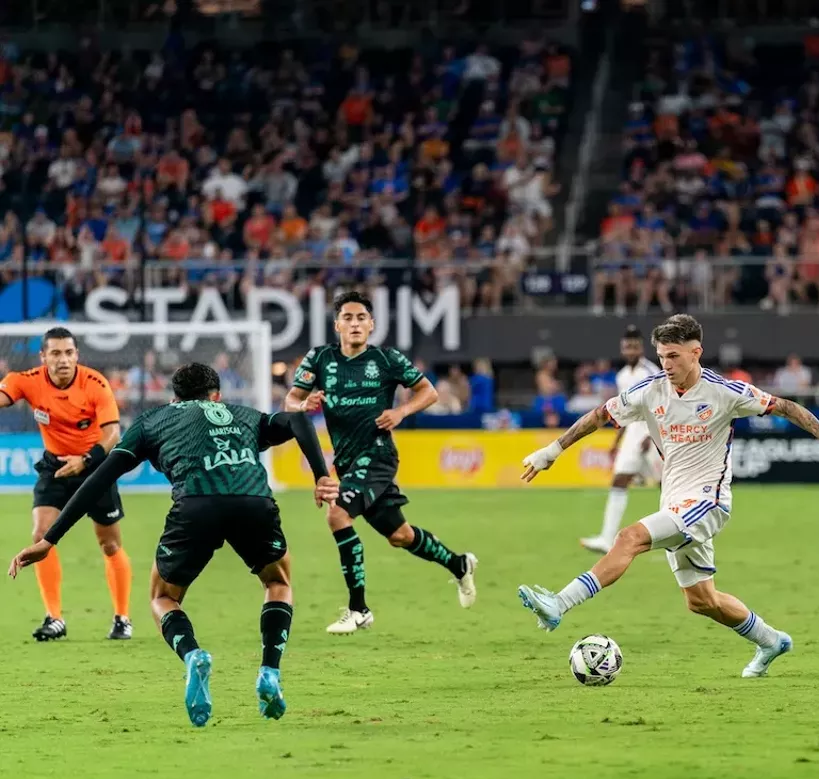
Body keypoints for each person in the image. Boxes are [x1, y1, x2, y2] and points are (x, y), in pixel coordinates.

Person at [518, 315, 819, 677]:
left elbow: (786, 407)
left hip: (708, 502)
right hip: (673, 502)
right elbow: (599, 416)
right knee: (702, 601)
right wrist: (551, 451)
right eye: (662, 356)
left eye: (674, 356)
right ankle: (771, 641)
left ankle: (559, 603)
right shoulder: (650, 391)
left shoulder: (725, 392)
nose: (666, 365)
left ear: (696, 352)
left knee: (630, 537)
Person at [8, 363, 338, 727]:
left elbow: (99, 478)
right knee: (278, 583)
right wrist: (322, 475)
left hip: (195, 507)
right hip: (253, 501)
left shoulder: (154, 420)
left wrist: (50, 539)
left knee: (162, 597)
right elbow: (298, 421)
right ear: (217, 396)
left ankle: (193, 654)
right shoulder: (243, 414)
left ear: (174, 397)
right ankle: (270, 672)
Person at [286, 291, 478, 635]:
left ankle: (358, 609)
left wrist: (401, 411)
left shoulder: (386, 359)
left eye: (361, 318)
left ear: (372, 325)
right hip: (347, 462)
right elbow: (291, 401)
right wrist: (306, 404)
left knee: (337, 514)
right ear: (337, 325)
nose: (355, 324)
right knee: (400, 536)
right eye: (348, 318)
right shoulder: (320, 359)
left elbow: (429, 392)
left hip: (377, 455)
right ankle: (458, 563)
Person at [0, 327, 134, 641]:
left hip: (95, 467)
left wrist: (85, 460)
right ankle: (54, 618)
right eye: (56, 353)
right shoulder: (28, 380)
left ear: (77, 355)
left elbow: (113, 435)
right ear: (43, 356)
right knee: (40, 535)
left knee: (110, 544)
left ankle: (122, 617)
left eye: (69, 353)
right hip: (55, 466)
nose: (64, 360)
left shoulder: (95, 383)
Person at [580, 326, 661, 553]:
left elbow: (660, 405)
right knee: (619, 480)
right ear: (622, 348)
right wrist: (616, 442)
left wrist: (650, 435)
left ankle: (680, 535)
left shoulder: (651, 371)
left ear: (641, 348)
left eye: (634, 346)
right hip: (632, 432)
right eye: (627, 346)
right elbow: (622, 412)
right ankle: (607, 539)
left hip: (653, 433)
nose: (630, 350)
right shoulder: (622, 376)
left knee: (667, 485)